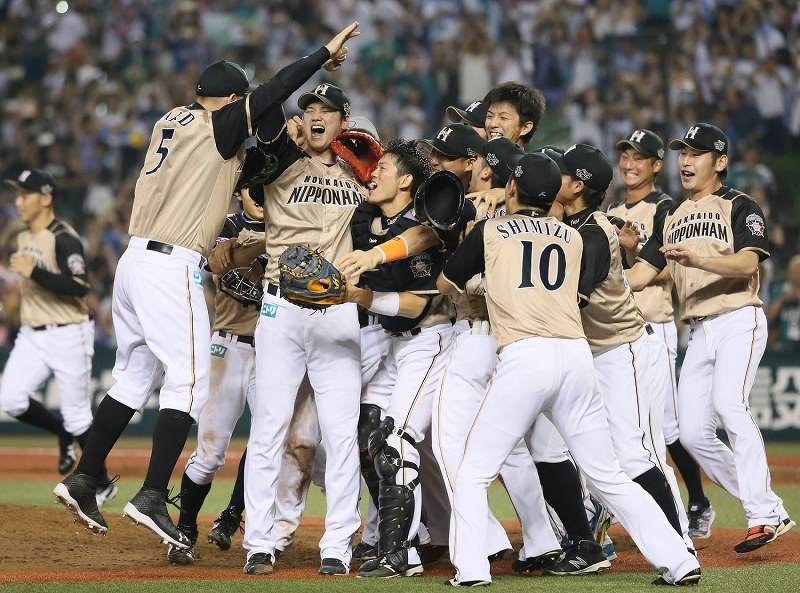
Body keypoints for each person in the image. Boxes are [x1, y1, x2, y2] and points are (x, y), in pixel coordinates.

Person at [53, 24, 360, 550]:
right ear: (233, 101)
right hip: (172, 265)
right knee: (189, 383)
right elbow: (273, 91)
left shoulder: (171, 121)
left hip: (134, 262)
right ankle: (152, 495)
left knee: (133, 377)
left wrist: (279, 146)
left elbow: (246, 166)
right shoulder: (214, 124)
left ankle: (84, 477)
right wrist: (321, 55)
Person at [437, 151, 701, 587]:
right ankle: (679, 560)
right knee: (608, 474)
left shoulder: (491, 230)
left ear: (511, 188)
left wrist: (486, 279)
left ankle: (471, 571)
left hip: (526, 357)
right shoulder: (572, 237)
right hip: (576, 357)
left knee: (472, 472)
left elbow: (446, 283)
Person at [622, 122, 795, 553]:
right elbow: (639, 278)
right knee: (693, 434)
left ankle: (760, 513)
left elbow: (748, 264)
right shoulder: (672, 216)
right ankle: (770, 508)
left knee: (730, 407)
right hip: (699, 330)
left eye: (696, 153)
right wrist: (625, 254)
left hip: (739, 317)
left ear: (720, 162)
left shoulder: (739, 204)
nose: (686, 160)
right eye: (683, 152)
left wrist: (697, 258)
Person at [242, 80, 367, 577]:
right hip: (282, 307)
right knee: (268, 427)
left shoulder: (361, 173)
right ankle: (259, 542)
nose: (316, 115)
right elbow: (263, 112)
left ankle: (337, 544)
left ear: (343, 121)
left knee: (340, 433)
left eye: (326, 110)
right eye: (310, 108)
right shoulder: (280, 161)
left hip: (338, 310)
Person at [551, 143, 691, 551]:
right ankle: (598, 530)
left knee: (634, 454)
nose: (554, 176)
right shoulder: (570, 223)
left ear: (578, 185)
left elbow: (573, 300)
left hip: (621, 350)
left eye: (562, 172)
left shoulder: (594, 233)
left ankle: (680, 543)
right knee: (595, 456)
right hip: (594, 351)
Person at [343, 139, 455, 578]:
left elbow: (416, 306)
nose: (374, 173)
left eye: (384, 167)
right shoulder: (368, 220)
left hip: (429, 339)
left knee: (397, 439)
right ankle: (407, 537)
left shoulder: (424, 227)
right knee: (369, 430)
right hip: (395, 344)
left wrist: (359, 295)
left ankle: (400, 552)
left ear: (406, 180)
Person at [607, 129, 713, 539]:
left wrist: (637, 255)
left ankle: (697, 502)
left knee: (665, 426)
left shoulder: (666, 208)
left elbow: (674, 267)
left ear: (656, 165)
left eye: (639, 157)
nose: (629, 164)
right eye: (625, 156)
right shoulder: (613, 209)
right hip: (619, 330)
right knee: (632, 426)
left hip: (655, 327)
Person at [1, 168, 116, 505]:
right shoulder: (25, 237)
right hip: (31, 334)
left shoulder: (63, 237)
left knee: (78, 416)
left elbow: (80, 285)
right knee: (10, 400)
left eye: (26, 194)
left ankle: (103, 483)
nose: (18, 201)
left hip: (67, 334)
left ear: (46, 198)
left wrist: (34, 272)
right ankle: (62, 433)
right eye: (17, 194)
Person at [766, 254, 800, 352]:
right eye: (795, 271)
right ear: (789, 273)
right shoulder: (781, 290)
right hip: (784, 344)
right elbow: (769, 316)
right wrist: (781, 299)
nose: (797, 274)